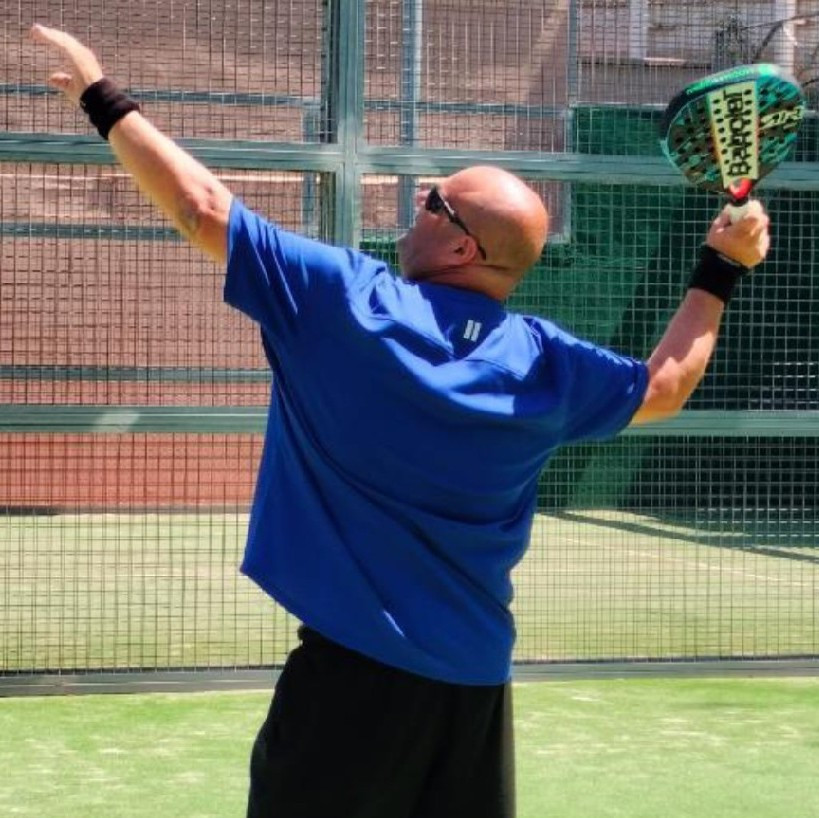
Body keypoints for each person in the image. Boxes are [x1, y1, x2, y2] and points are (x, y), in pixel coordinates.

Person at [31, 24, 770, 818]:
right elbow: (665, 385)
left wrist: (100, 96)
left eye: (436, 201)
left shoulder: (350, 302)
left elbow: (199, 207)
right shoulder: (548, 366)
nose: (419, 202)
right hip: (472, 689)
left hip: (349, 688)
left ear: (461, 248)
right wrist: (720, 267)